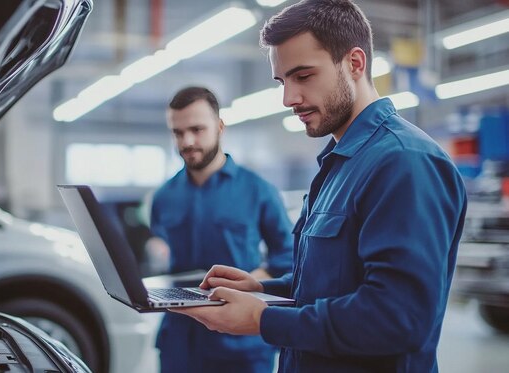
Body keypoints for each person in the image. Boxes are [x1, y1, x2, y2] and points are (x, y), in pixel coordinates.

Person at [173, 1, 468, 372]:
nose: (288, 98)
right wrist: (263, 289)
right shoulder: (339, 163)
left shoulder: (405, 162)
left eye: (304, 75)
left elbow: (398, 317)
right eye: (283, 81)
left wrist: (262, 319)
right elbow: (332, 285)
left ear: (355, 63)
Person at [150, 86, 294, 373]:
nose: (187, 141)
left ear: (219, 127)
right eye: (178, 133)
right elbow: (158, 242)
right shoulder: (164, 196)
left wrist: (250, 281)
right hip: (180, 341)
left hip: (239, 345)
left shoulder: (258, 191)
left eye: (197, 129)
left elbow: (289, 256)